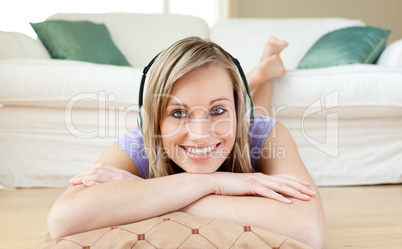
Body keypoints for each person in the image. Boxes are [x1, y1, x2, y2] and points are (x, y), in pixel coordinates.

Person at [47, 37, 325, 248]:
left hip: (247, 125)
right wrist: (212, 182)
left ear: (238, 113)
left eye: (218, 110)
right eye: (178, 113)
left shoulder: (266, 134)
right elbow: (61, 220)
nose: (200, 133)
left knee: (257, 113)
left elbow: (309, 229)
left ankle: (263, 71)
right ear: (153, 122)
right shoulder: (138, 144)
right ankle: (260, 72)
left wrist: (147, 193)